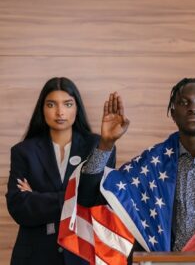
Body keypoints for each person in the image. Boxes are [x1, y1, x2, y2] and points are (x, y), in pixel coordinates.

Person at [78, 77, 195, 263]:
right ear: (172, 112)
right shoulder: (151, 165)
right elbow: (88, 196)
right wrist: (106, 144)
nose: (193, 107)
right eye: (184, 102)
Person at [6, 77, 116, 265]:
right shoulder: (23, 151)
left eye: (67, 104)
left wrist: (37, 197)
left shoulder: (98, 146)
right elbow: (19, 207)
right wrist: (77, 198)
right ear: (42, 109)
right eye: (51, 104)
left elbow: (99, 202)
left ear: (77, 108)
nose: (60, 112)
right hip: (35, 256)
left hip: (82, 255)